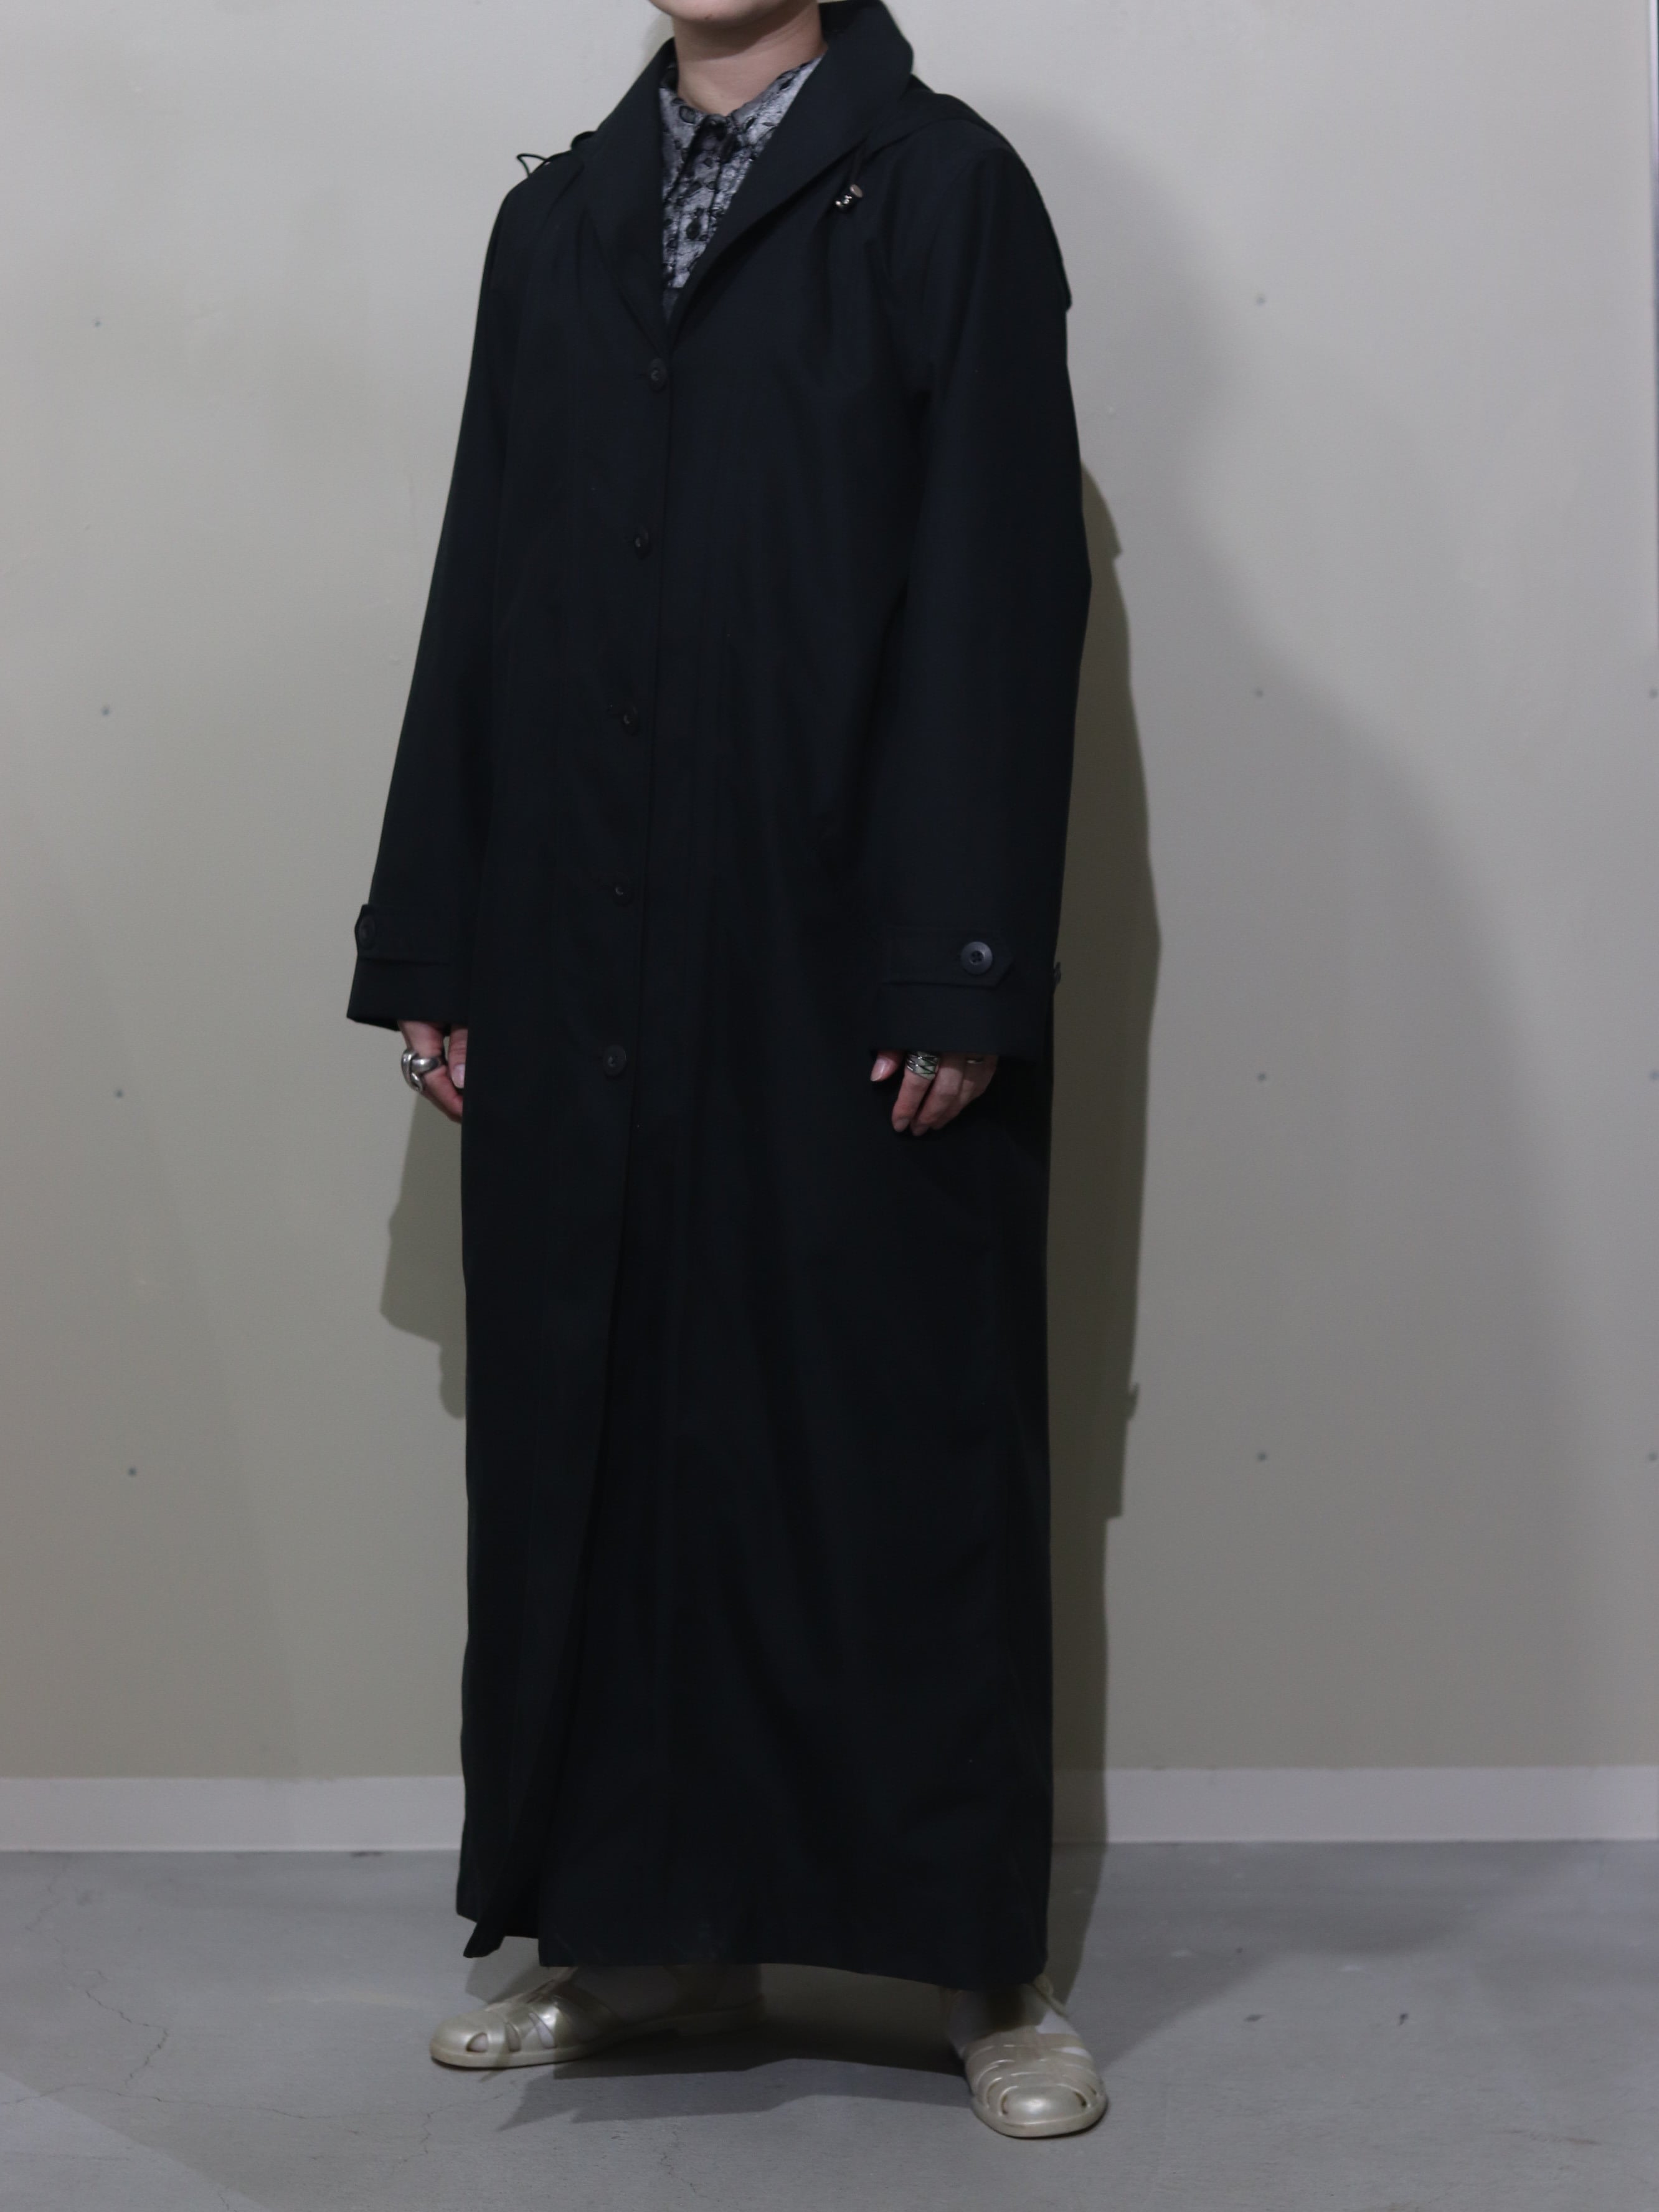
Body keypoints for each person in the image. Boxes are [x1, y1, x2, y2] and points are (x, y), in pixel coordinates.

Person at [347, 0, 1099, 2139]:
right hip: (576, 929)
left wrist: (962, 960)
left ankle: (976, 1975)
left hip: (841, 938)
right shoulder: (559, 223)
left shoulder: (946, 194)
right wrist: (437, 932)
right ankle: (620, 1944)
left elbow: (1000, 585)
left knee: (888, 1447)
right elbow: (485, 568)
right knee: (592, 1437)